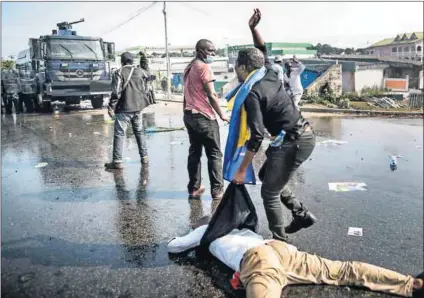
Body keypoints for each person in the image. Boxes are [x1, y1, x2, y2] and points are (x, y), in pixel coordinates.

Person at [168, 220, 424, 298]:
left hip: (259, 262)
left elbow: (175, 247)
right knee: (344, 270)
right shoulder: (240, 228)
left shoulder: (205, 231)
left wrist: (198, 235)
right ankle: (410, 284)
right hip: (281, 251)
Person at [231, 9, 316, 242]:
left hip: (294, 141)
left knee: (269, 192)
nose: (235, 71)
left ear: (242, 67)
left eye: (236, 66)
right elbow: (261, 50)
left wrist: (240, 169)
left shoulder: (252, 93)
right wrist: (253, 28)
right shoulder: (266, 72)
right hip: (299, 136)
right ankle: (301, 214)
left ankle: (280, 244)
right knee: (265, 173)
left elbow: (256, 136)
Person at [183, 39, 229, 199]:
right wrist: (222, 114)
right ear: (201, 51)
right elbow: (211, 95)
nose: (213, 54)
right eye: (210, 51)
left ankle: (194, 188)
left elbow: (186, 93)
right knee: (215, 153)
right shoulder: (204, 67)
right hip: (204, 117)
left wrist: (186, 113)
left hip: (189, 115)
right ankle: (217, 191)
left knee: (195, 152)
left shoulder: (189, 66)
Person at [105, 52, 150, 170]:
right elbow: (148, 73)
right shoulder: (140, 72)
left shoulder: (119, 73)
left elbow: (116, 92)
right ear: (132, 61)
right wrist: (144, 58)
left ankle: (117, 161)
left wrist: (111, 107)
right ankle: (144, 158)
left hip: (124, 108)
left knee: (120, 133)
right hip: (138, 108)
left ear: (122, 61)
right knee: (139, 132)